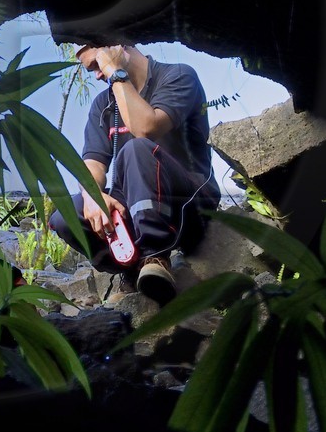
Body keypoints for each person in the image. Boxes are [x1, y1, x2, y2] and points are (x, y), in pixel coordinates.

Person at [48, 42, 223, 305]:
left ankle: (156, 256)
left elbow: (146, 128)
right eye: (91, 70)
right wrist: (93, 197)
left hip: (189, 204)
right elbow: (92, 164)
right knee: (66, 216)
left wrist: (116, 72)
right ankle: (130, 268)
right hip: (140, 205)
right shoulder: (103, 104)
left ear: (116, 46)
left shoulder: (178, 76)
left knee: (137, 148)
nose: (97, 75)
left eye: (97, 65)